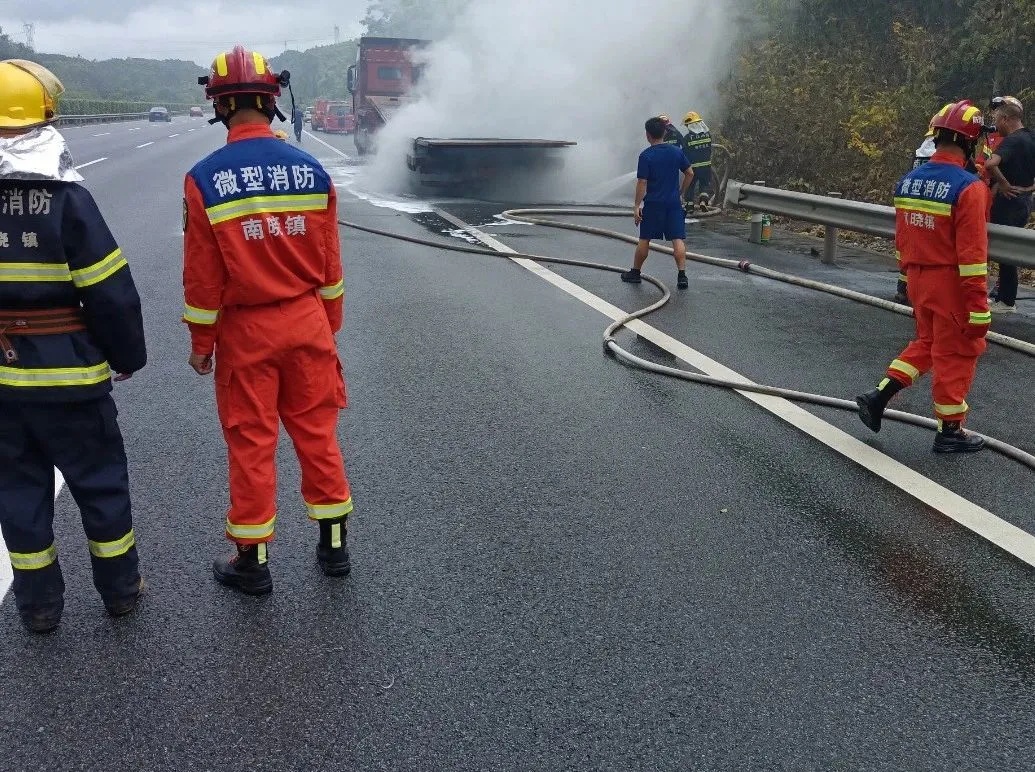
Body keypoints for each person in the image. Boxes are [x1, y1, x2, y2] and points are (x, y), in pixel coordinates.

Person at [183, 45, 352, 595]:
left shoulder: (204, 180)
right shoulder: (312, 170)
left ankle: (252, 564)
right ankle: (334, 549)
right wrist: (328, 324)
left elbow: (203, 280)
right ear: (272, 99)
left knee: (251, 444)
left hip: (246, 332)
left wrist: (202, 343)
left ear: (220, 106)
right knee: (317, 434)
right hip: (307, 323)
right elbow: (330, 265)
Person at [0, 59, 147, 632]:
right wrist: (127, 356)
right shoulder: (67, 201)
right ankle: (120, 592)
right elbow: (109, 291)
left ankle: (38, 607)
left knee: (17, 491)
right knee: (100, 484)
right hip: (71, 378)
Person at [856, 100, 991, 454]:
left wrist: (907, 278)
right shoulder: (969, 189)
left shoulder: (909, 181)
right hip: (951, 285)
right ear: (968, 142)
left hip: (918, 279)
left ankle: (879, 395)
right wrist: (978, 307)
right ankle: (950, 430)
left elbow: (902, 240)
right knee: (958, 352)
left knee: (929, 344)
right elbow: (973, 257)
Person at [621, 116, 694, 290]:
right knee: (677, 239)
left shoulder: (646, 156)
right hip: (673, 204)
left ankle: (635, 273)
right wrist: (681, 192)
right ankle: (682, 276)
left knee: (644, 239)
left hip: (653, 204)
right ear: (664, 133)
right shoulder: (676, 152)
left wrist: (636, 206)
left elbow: (642, 182)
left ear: (647, 135)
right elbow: (690, 173)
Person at [983, 96, 1035, 314]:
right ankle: (1005, 298)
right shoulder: (1032, 137)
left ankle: (1006, 301)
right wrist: (1029, 188)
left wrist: (1003, 184)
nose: (996, 126)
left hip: (1008, 202)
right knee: (1010, 249)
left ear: (1006, 119)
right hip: (1024, 202)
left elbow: (989, 163)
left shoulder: (1012, 140)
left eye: (997, 120)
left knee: (1004, 250)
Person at [681, 110, 713, 211]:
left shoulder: (687, 138)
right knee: (705, 184)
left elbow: (684, 153)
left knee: (690, 186)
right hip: (706, 166)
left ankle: (689, 207)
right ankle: (703, 201)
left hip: (692, 167)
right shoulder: (708, 135)